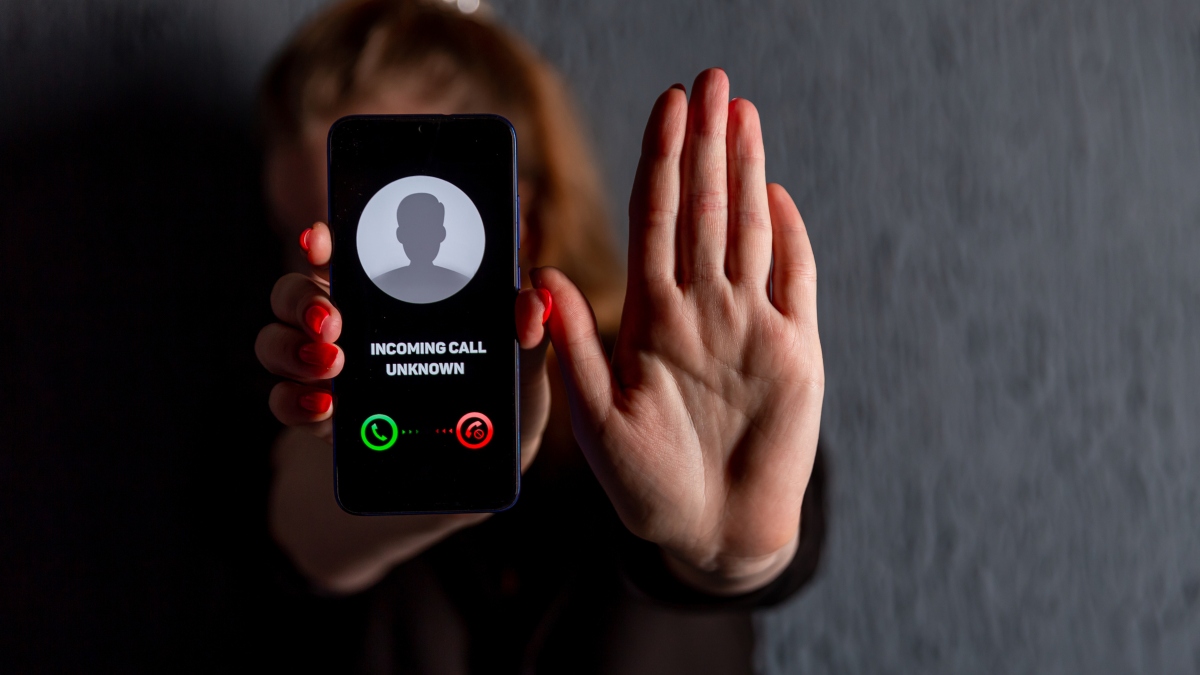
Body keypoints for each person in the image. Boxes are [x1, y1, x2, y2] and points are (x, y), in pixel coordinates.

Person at [255, 1, 826, 672]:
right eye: (305, 237)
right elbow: (295, 539)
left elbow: (758, 541)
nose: (352, 270)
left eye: (370, 219)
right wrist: (403, 469)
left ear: (522, 216)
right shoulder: (295, 417)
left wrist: (733, 556)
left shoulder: (693, 387)